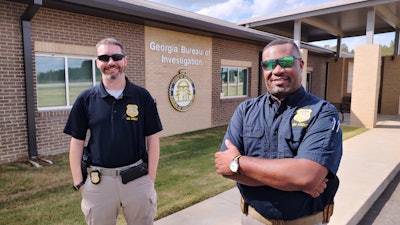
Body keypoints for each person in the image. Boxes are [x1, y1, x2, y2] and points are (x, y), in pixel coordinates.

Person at [215, 39, 342, 225]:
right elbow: (224, 167)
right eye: (268, 65)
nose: (277, 70)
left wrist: (238, 162)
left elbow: (307, 176)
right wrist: (294, 180)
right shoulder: (245, 110)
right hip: (253, 219)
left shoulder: (323, 112)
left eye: (286, 62)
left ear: (300, 64)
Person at [64, 37, 163, 225]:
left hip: (137, 180)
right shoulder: (85, 99)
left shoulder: (142, 96)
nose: (111, 62)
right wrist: (79, 183)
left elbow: (153, 138)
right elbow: (77, 142)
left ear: (125, 60)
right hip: (99, 183)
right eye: (104, 58)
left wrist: (150, 177)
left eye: (116, 57)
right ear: (97, 63)